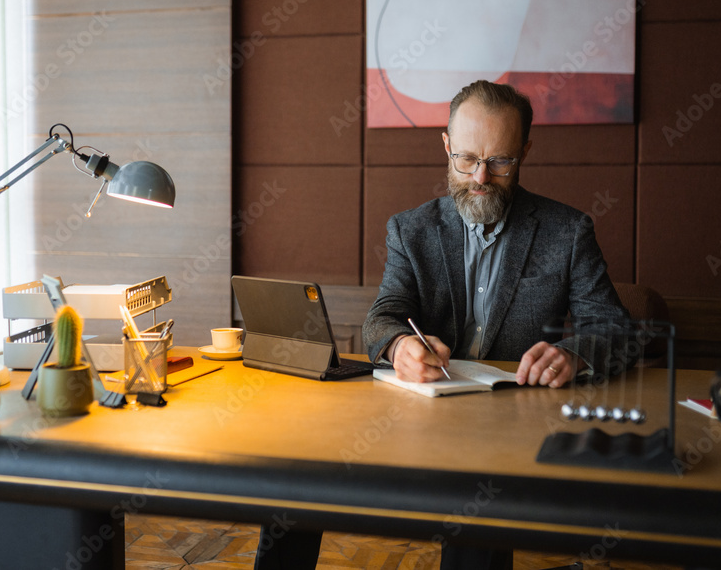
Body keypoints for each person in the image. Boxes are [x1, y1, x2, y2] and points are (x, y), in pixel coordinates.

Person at [253, 80, 628, 570]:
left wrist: (574, 355)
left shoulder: (568, 231)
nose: (480, 177)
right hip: (417, 416)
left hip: (512, 425)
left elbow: (615, 328)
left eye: (499, 161)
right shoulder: (410, 229)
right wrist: (399, 346)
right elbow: (383, 315)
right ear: (446, 145)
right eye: (466, 159)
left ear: (525, 152)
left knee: (476, 498)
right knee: (297, 473)